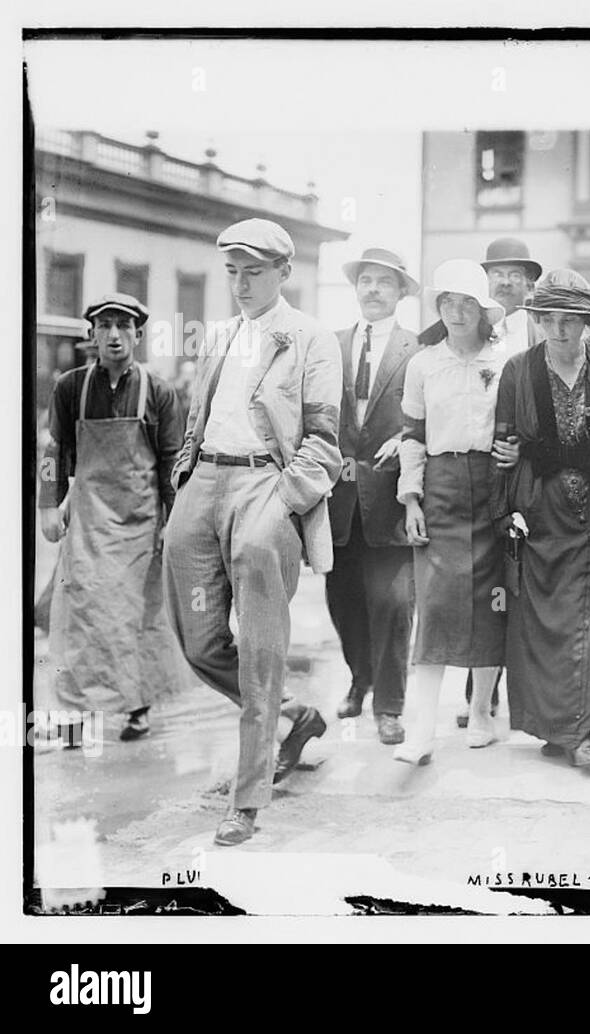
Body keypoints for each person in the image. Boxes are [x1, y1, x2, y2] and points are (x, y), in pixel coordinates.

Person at [163, 218, 342, 846]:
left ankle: (248, 799)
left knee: (261, 650)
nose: (241, 284)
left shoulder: (311, 338)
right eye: (233, 272)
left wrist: (286, 500)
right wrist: (185, 478)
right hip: (204, 481)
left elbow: (324, 439)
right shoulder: (220, 335)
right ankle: (295, 715)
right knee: (198, 640)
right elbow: (198, 414)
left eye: (254, 272)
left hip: (266, 483)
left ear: (284, 273)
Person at [493, 269, 590, 769]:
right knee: (545, 621)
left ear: (586, 323)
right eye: (548, 319)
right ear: (536, 320)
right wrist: (506, 501)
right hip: (541, 507)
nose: (558, 330)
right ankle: (556, 727)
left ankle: (581, 731)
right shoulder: (518, 369)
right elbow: (503, 441)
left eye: (570, 320)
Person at [40, 293, 186, 745]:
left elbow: (172, 461)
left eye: (123, 326)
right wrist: (48, 506)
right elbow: (54, 451)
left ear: (138, 334)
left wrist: (172, 520)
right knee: (81, 613)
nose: (114, 335)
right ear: (94, 334)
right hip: (88, 520)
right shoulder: (71, 388)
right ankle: (77, 713)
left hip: (140, 522)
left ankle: (137, 707)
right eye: (105, 326)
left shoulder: (158, 391)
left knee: (132, 617)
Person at [393, 260, 514, 762]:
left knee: (491, 603)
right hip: (439, 487)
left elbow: (517, 427)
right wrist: (411, 498)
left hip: (492, 487)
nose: (457, 312)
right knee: (436, 605)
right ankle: (421, 730)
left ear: (483, 310)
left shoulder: (506, 361)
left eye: (467, 303)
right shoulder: (423, 364)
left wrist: (514, 453)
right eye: (448, 302)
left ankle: (482, 711)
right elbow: (412, 435)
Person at [327, 247, 422, 745]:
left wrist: (406, 437)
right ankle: (359, 677)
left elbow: (431, 413)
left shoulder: (418, 349)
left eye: (384, 282)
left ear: (401, 291)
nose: (373, 290)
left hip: (392, 496)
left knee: (393, 604)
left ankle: (389, 706)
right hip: (339, 499)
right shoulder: (331, 344)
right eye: (366, 280)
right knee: (343, 602)